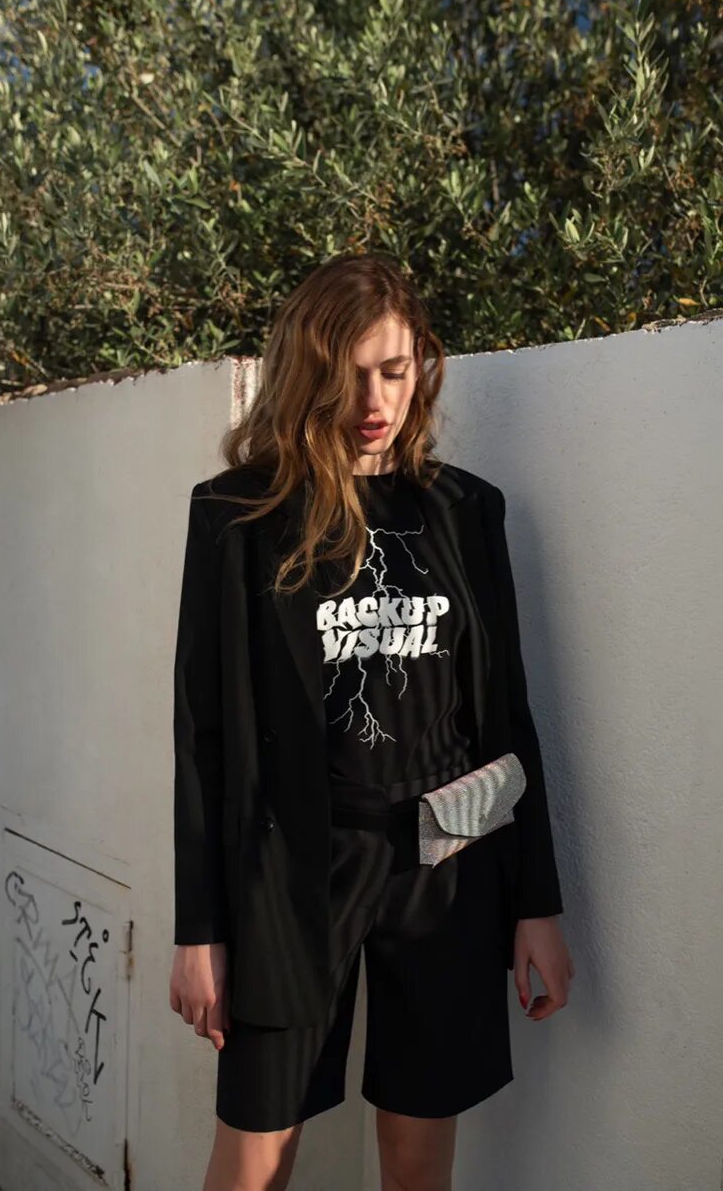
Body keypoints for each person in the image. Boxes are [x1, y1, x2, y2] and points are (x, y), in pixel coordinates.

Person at [168, 253, 574, 1191]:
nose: (374, 399)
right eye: (348, 374)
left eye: (394, 370)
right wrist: (200, 930)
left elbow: (506, 714)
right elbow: (203, 737)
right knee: (254, 1158)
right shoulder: (238, 517)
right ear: (305, 374)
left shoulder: (465, 510)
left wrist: (536, 906)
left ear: (421, 363)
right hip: (293, 877)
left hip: (447, 867)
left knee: (418, 1163)